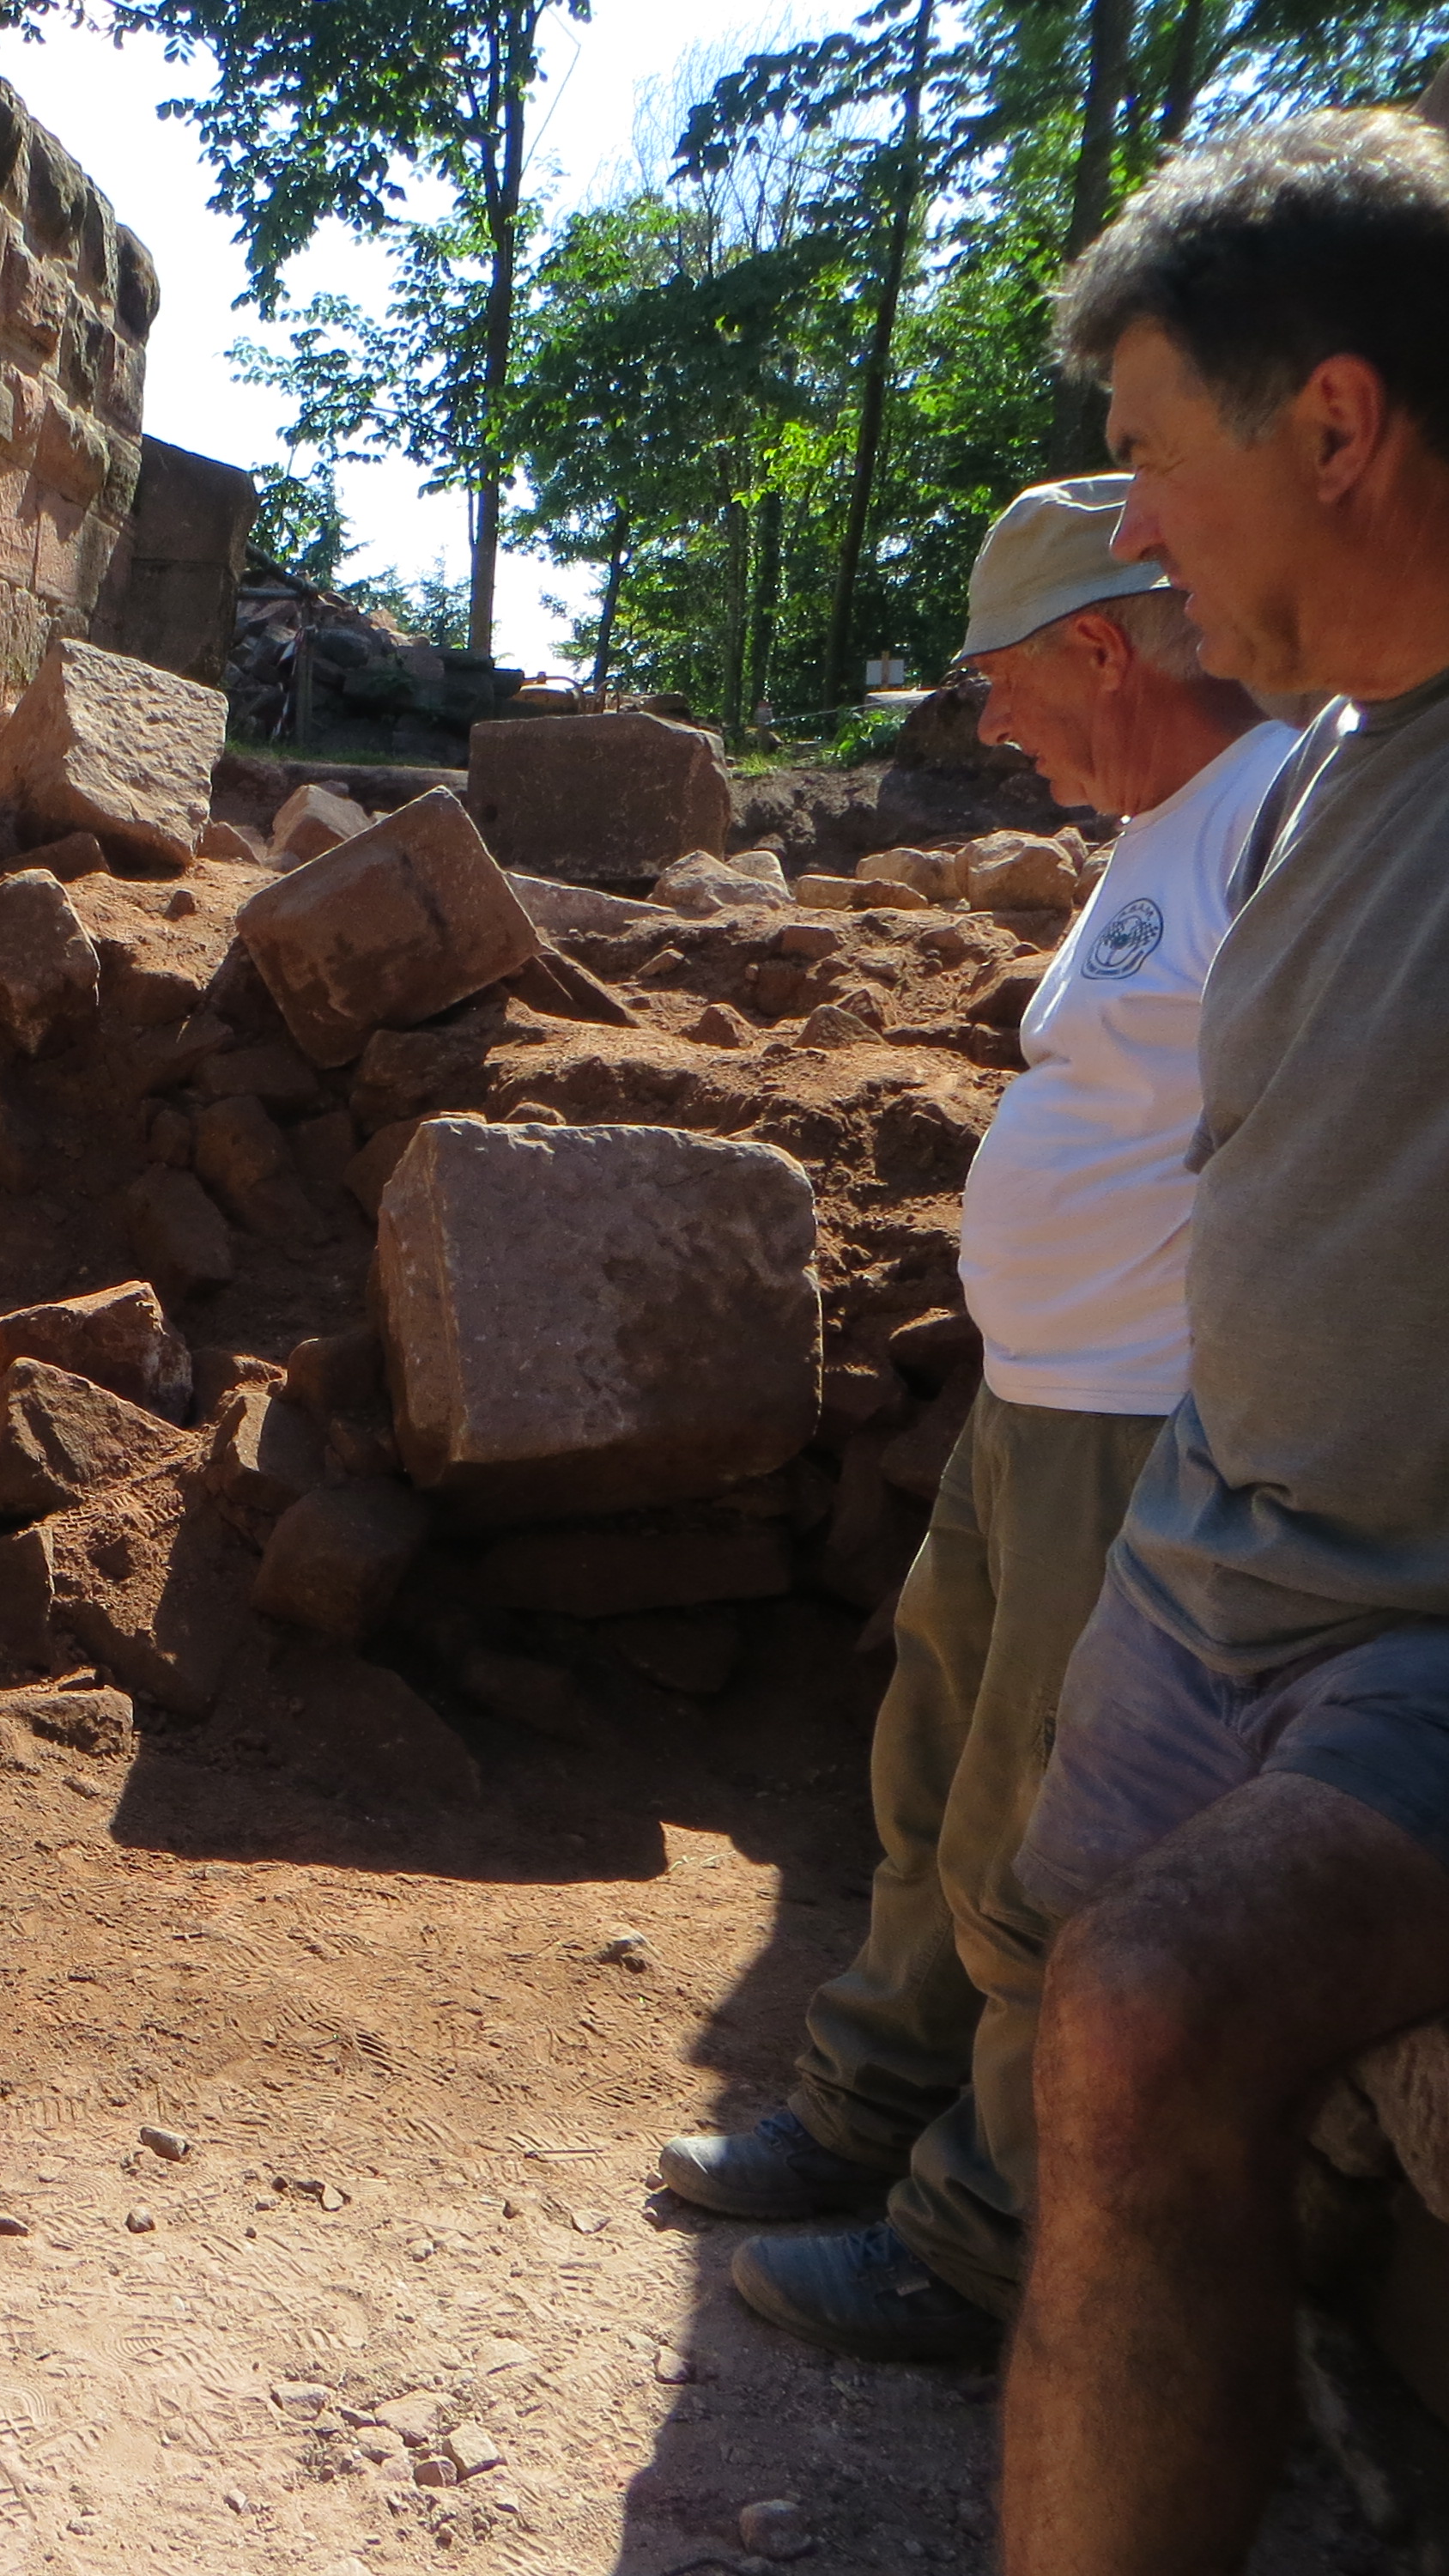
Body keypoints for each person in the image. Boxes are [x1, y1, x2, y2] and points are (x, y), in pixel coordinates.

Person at [653, 489, 1293, 2362]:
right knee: (934, 1781)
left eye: (1008, 682)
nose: (991, 726)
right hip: (1033, 1406)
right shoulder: (1155, 828)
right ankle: (860, 2118)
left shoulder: (1287, 808)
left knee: (1049, 1832)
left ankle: (980, 2237)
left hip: (1137, 1427)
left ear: (1103, 644)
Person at [988, 110, 1449, 2576]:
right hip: (1214, 1566)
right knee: (1043, 1968)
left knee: (1145, 2007)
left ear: (1337, 427)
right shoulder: (1332, 770)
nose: (1136, 536)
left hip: (1412, 1633)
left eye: (1151, 460)